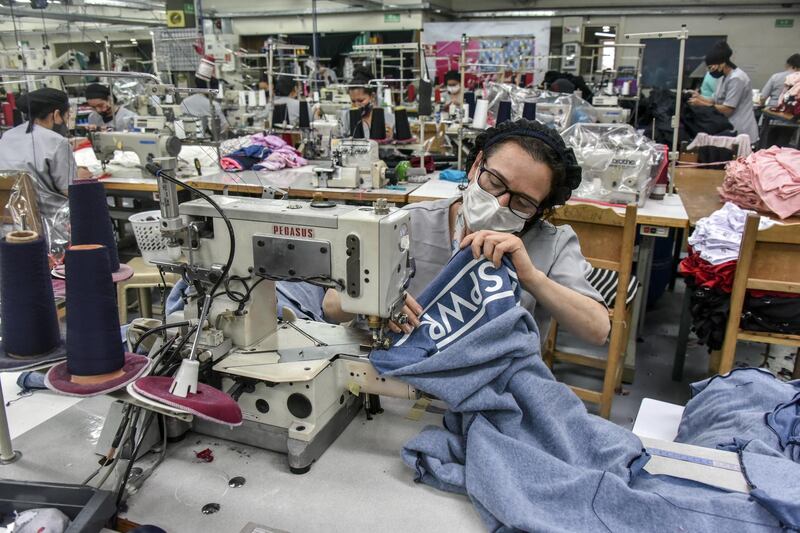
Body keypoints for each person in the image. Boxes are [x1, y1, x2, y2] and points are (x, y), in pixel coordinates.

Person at [324, 119, 610, 346]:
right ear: (476, 165)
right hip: (400, 373)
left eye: (523, 202)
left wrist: (531, 278)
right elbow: (332, 306)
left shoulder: (552, 244)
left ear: (539, 209)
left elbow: (597, 330)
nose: (500, 203)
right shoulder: (409, 223)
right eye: (495, 181)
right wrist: (378, 303)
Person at [0, 88, 92, 221]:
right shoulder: (58, 142)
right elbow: (69, 190)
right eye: (66, 116)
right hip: (52, 223)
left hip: (10, 223)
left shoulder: (7, 136)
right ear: (55, 114)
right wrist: (79, 177)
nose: (66, 122)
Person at [688, 40, 759, 143]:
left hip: (740, 129)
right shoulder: (723, 77)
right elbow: (716, 100)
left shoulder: (737, 78)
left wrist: (701, 104)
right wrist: (699, 97)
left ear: (722, 64)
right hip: (729, 128)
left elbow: (727, 109)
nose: (710, 71)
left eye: (711, 68)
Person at [341, 67, 394, 138]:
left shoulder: (388, 119)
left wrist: (391, 137)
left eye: (361, 100)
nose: (356, 105)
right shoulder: (348, 116)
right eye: (353, 101)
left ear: (372, 96)